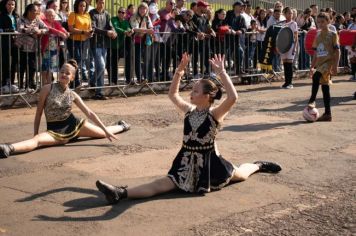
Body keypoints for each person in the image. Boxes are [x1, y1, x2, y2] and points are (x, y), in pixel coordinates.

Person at [95, 53, 282, 204]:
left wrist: (222, 73)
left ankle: (258, 165)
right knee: (160, 185)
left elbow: (233, 98)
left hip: (210, 163)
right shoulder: (189, 110)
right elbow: (173, 94)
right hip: (185, 161)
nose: (191, 94)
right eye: (192, 90)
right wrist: (178, 72)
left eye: (195, 91)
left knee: (240, 174)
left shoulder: (215, 113)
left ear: (208, 96)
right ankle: (120, 192)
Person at [0, 60, 131, 159]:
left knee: (102, 133)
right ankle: (8, 148)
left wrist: (106, 132)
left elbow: (89, 113)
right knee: (37, 141)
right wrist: (35, 133)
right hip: (54, 130)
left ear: (72, 77)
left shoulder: (72, 94)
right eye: (62, 71)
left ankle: (122, 126)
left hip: (75, 125)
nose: (63, 74)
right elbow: (39, 112)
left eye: (67, 73)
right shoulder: (47, 88)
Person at [307, 12, 340, 122]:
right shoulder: (317, 35)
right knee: (325, 89)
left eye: (323, 22)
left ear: (328, 22)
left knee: (316, 77)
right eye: (318, 22)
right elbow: (316, 53)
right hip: (320, 64)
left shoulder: (333, 35)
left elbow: (337, 51)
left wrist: (335, 66)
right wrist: (312, 67)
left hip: (328, 63)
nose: (320, 24)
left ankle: (312, 100)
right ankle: (328, 114)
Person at [89, 0, 117, 100]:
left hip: (105, 44)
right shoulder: (92, 13)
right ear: (96, 3)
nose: (102, 4)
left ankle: (99, 92)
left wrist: (113, 32)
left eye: (103, 2)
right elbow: (93, 28)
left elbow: (110, 26)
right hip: (95, 43)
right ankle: (92, 82)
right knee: (101, 66)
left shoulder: (107, 14)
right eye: (100, 2)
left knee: (101, 67)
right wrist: (107, 33)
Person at [67, 0, 93, 88]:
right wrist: (83, 32)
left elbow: (90, 27)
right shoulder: (73, 14)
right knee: (76, 60)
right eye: (80, 6)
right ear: (77, 6)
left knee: (79, 61)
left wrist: (90, 32)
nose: (82, 8)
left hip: (83, 41)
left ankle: (74, 81)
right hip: (73, 41)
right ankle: (75, 82)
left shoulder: (87, 15)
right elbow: (71, 29)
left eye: (84, 6)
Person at [41, 9, 69, 85]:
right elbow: (49, 29)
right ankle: (43, 85)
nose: (51, 17)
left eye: (52, 15)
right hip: (46, 49)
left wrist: (65, 32)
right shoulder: (43, 22)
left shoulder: (55, 22)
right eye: (49, 15)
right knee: (44, 69)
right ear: (46, 15)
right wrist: (60, 33)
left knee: (51, 69)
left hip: (54, 50)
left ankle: (49, 86)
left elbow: (60, 27)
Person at [0, 0, 20, 94]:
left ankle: (11, 82)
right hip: (4, 43)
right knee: (5, 62)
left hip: (15, 43)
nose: (11, 6)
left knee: (14, 62)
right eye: (9, 4)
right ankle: (4, 83)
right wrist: (10, 30)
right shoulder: (1, 16)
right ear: (5, 5)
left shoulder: (16, 16)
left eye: (13, 4)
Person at [280, 7, 298, 89]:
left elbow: (296, 37)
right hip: (283, 46)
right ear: (285, 14)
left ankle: (290, 83)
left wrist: (295, 47)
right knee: (285, 64)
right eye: (289, 13)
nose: (290, 14)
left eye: (291, 13)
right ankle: (286, 82)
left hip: (291, 45)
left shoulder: (294, 24)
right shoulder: (282, 23)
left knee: (289, 64)